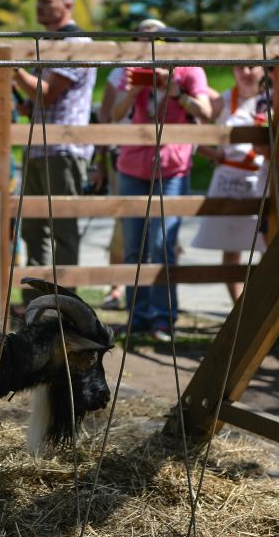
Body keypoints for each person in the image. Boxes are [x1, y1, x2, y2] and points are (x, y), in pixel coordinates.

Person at [111, 24, 212, 341]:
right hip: (131, 167)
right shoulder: (134, 70)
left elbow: (206, 112)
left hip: (172, 168)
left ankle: (164, 318)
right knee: (134, 246)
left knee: (162, 244)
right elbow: (114, 114)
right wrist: (134, 89)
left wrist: (177, 94)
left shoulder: (190, 72)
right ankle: (137, 317)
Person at [12, 0, 96, 305]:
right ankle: (36, 302)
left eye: (46, 1)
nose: (40, 6)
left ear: (67, 4)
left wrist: (11, 67)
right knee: (33, 229)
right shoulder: (49, 42)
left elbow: (47, 93)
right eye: (38, 0)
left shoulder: (74, 41)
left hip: (64, 148)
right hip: (37, 147)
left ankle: (66, 305)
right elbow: (38, 96)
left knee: (62, 230)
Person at [93, 18, 168, 310]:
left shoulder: (173, 70)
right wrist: (99, 161)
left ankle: (158, 298)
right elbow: (106, 116)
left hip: (163, 156)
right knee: (125, 224)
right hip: (122, 154)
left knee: (161, 227)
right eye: (141, 35)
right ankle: (117, 287)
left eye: (155, 36)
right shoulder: (119, 74)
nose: (147, 41)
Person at [192, 66, 270, 303]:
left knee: (267, 245)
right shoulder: (222, 99)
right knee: (231, 247)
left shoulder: (272, 100)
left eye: (252, 66)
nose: (246, 72)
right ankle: (238, 308)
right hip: (228, 177)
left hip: (261, 177)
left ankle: (262, 306)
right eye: (239, 66)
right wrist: (215, 155)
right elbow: (192, 129)